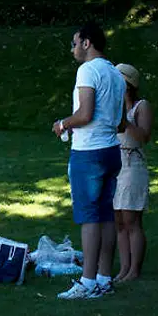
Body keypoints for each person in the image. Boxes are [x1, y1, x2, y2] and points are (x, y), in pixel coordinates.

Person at [51, 21, 126, 300]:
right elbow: (120, 123)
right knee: (106, 214)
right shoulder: (116, 74)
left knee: (89, 217)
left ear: (86, 42)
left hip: (89, 154)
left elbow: (85, 115)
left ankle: (87, 281)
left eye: (74, 43)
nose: (72, 49)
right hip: (111, 151)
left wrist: (63, 124)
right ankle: (105, 278)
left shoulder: (87, 70)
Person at [114, 63, 154, 283]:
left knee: (132, 221)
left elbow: (144, 136)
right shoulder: (114, 105)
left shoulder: (141, 106)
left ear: (128, 84)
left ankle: (135, 270)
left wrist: (125, 123)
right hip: (115, 166)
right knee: (119, 222)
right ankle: (124, 268)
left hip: (132, 166)